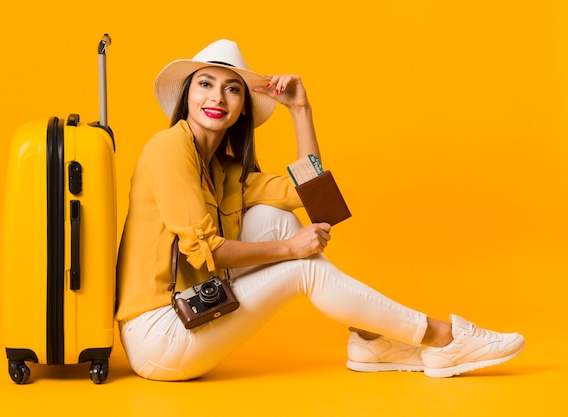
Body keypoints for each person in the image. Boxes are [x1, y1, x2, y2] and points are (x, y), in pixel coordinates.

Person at [115, 39, 524, 381]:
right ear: (187, 93)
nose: (217, 98)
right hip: (159, 335)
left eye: (232, 89)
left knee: (277, 221)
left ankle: (371, 342)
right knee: (301, 263)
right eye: (205, 84)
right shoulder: (168, 149)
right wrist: (292, 251)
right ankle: (440, 337)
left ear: (243, 107)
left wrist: (300, 111)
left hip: (193, 309)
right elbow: (206, 252)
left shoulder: (223, 170)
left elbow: (315, 196)